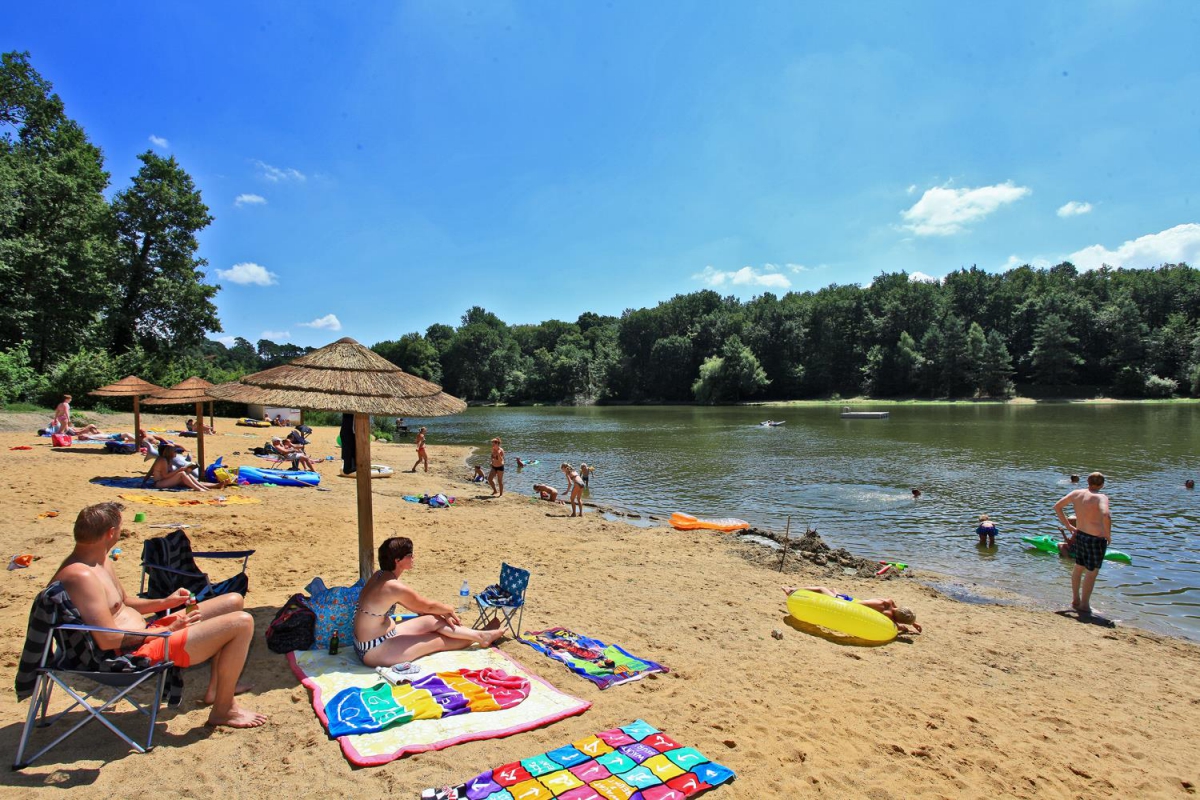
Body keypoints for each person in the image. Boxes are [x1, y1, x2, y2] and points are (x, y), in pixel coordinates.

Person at [51, 503, 265, 727]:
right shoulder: (81, 577)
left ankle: (216, 688)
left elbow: (123, 603)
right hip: (131, 652)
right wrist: (170, 629)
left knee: (233, 601)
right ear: (110, 533)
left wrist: (165, 602)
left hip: (147, 633)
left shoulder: (99, 559)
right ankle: (224, 709)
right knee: (242, 623)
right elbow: (108, 639)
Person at [352, 537, 504, 667]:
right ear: (397, 560)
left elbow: (424, 610)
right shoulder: (393, 586)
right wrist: (448, 609)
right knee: (438, 640)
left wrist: (441, 613)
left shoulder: (379, 575)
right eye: (410, 555)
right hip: (373, 649)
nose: (413, 557)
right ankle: (481, 637)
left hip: (379, 636)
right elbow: (426, 605)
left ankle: (478, 634)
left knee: (432, 620)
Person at [1053, 471, 1112, 616]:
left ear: (1088, 481)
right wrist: (1108, 535)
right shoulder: (1101, 497)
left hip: (1080, 535)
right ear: (1102, 484)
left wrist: (1068, 526)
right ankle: (1085, 605)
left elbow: (1057, 507)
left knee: (1078, 568)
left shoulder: (1077, 493)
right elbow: (1106, 515)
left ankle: (1075, 601)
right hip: (1095, 538)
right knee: (1091, 573)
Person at [782, 586, 922, 634]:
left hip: (852, 601)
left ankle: (835, 592)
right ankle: (792, 590)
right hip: (846, 604)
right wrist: (908, 627)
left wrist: (913, 623)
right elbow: (900, 627)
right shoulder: (889, 617)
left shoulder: (889, 602)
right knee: (821, 589)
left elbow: (901, 615)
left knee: (833, 592)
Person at [149, 444, 215, 491]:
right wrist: (179, 470)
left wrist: (187, 470)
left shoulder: (169, 460)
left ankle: (204, 486)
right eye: (175, 451)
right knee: (182, 473)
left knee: (186, 474)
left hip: (164, 481)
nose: (176, 453)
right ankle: (198, 488)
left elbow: (153, 471)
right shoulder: (163, 460)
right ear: (170, 452)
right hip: (159, 483)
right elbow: (165, 476)